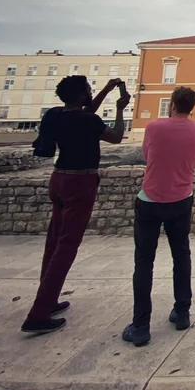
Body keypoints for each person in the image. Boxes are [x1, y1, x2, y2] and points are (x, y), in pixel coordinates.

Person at [21, 76, 128, 335]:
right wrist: (119, 109)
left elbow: (86, 113)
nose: (91, 93)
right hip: (80, 182)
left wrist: (106, 89)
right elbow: (116, 137)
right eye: (89, 90)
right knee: (66, 246)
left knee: (54, 241)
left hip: (58, 179)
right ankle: (39, 313)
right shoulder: (87, 121)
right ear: (81, 95)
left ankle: (48, 298)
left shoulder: (55, 115)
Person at [122, 86, 195, 346]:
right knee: (181, 255)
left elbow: (147, 156)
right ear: (192, 107)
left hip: (150, 200)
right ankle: (182, 312)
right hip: (181, 200)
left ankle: (140, 326)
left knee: (143, 262)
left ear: (172, 104)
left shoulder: (153, 128)